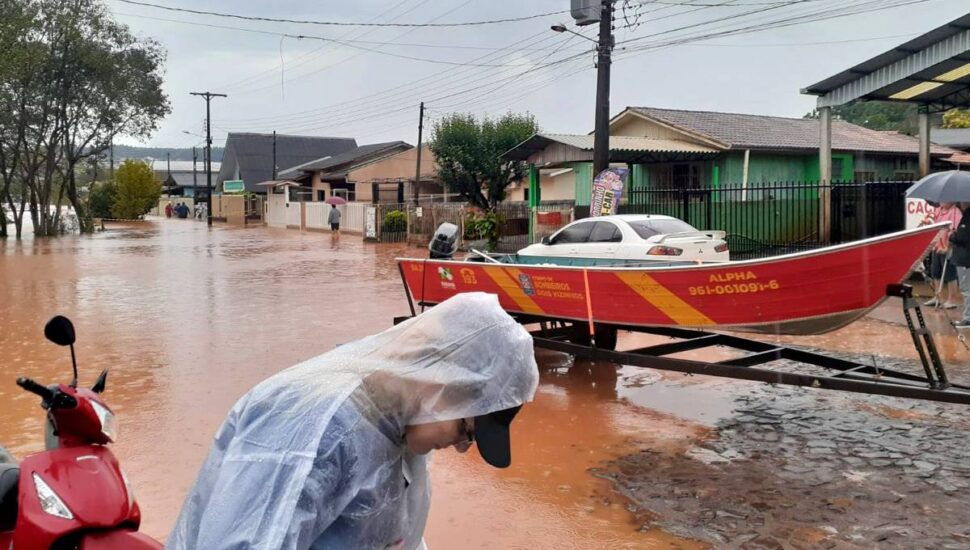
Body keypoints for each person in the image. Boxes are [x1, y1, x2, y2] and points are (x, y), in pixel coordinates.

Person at [166, 293, 539, 550]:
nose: (460, 447)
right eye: (466, 432)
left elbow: (397, 535)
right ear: (440, 383)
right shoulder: (312, 431)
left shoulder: (402, 427)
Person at [925, 202, 962, 308]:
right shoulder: (938, 210)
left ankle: (952, 299)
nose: (942, 201)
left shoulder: (955, 212)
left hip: (947, 247)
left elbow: (954, 231)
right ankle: (938, 297)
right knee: (935, 272)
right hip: (936, 246)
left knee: (950, 274)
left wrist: (947, 247)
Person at [949, 202, 970, 328]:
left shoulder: (968, 216)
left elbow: (962, 236)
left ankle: (968, 318)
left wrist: (953, 235)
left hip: (965, 259)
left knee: (967, 288)